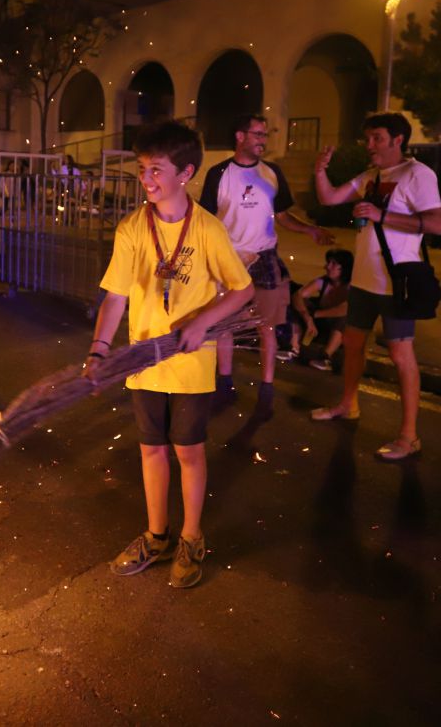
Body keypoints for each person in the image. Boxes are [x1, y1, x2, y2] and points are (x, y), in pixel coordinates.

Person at [85, 120, 253, 588]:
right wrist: (100, 350)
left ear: (186, 172)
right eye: (142, 169)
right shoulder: (132, 228)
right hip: (144, 360)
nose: (147, 179)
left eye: (156, 169)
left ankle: (191, 537)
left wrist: (202, 323)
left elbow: (243, 288)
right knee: (151, 450)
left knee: (188, 451)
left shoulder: (208, 230)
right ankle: (157, 535)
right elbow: (116, 297)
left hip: (191, 365)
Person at [311, 112, 441, 461]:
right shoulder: (372, 176)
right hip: (364, 281)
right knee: (353, 344)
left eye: (377, 139)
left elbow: (436, 224)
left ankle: (409, 435)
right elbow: (329, 198)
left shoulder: (418, 174)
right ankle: (348, 405)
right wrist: (320, 170)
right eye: (367, 138)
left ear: (398, 140)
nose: (369, 145)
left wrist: (382, 215)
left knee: (401, 356)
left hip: (396, 282)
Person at [199, 114, 332, 414]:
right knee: (224, 325)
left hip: (265, 256)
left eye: (265, 135)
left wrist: (310, 229)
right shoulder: (218, 173)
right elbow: (205, 220)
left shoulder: (272, 173)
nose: (262, 140)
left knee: (266, 325)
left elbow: (283, 216)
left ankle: (267, 388)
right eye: (257, 134)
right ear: (240, 136)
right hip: (229, 259)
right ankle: (224, 384)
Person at [294, 249, 354, 371]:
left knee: (345, 318)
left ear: (345, 268)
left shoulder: (352, 286)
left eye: (333, 264)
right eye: (328, 263)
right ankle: (293, 347)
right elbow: (298, 296)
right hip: (318, 326)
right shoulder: (323, 281)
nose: (327, 267)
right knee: (299, 305)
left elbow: (346, 309)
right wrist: (307, 318)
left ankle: (325, 357)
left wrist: (315, 315)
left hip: (340, 332)